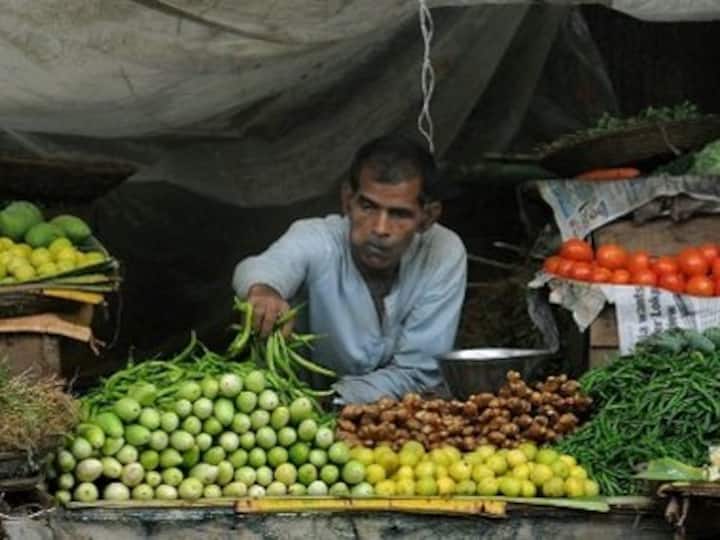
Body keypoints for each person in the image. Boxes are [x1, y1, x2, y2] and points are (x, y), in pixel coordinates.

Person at [232, 134, 467, 403]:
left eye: (399, 214)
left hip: (387, 422)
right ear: (347, 201)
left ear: (428, 217)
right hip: (287, 414)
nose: (380, 229)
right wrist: (264, 291)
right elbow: (264, 266)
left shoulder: (442, 252)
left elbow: (419, 372)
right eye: (368, 207)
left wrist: (330, 402)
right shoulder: (318, 238)